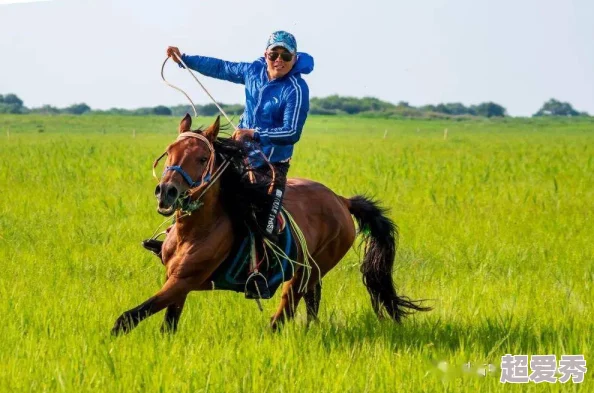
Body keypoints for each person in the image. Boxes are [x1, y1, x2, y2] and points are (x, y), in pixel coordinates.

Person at [166, 31, 313, 239]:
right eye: (274, 54)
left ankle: (264, 265)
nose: (279, 60)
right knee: (199, 180)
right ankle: (174, 234)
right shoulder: (253, 70)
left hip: (271, 165)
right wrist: (184, 60)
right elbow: (221, 68)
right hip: (240, 152)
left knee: (265, 228)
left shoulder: (296, 89)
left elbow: (291, 132)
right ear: (266, 55)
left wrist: (254, 134)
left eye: (286, 56)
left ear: (294, 58)